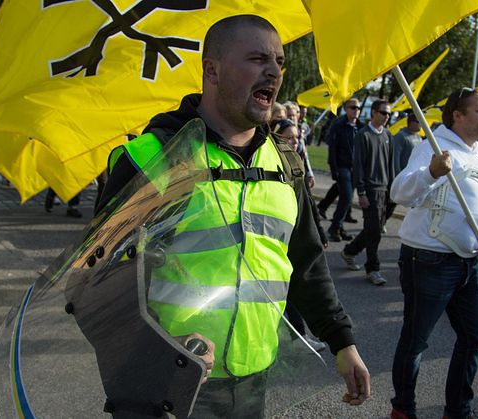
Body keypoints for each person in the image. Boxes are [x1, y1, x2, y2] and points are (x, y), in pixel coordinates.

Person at [97, 15, 370, 417]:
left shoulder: (285, 164)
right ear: (212, 69)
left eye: (279, 61)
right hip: (163, 387)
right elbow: (97, 280)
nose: (274, 71)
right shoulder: (158, 158)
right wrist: (159, 348)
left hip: (252, 384)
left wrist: (341, 341)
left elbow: (306, 264)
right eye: (258, 59)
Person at [389, 87, 478, 419]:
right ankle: (403, 409)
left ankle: (458, 410)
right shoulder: (432, 148)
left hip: (470, 263)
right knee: (416, 340)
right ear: (458, 115)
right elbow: (400, 192)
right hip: (429, 258)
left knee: (476, 335)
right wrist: (431, 173)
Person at [272, 118, 328, 352]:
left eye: (297, 137)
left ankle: (296, 337)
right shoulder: (271, 166)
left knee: (291, 289)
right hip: (278, 241)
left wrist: (320, 233)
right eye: (289, 137)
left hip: (295, 239)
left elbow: (308, 207)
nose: (295, 142)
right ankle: (294, 337)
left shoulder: (296, 163)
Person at [340, 99, 394, 285]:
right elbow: (358, 166)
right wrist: (361, 192)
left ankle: (350, 251)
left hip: (385, 188)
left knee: (374, 229)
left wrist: (392, 187)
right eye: (383, 113)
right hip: (370, 189)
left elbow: (390, 164)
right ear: (373, 113)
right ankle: (373, 268)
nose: (387, 117)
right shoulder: (363, 135)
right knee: (374, 231)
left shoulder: (388, 135)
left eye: (389, 114)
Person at [322, 98, 364, 240]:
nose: (356, 110)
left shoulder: (361, 127)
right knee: (346, 197)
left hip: (355, 168)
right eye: (353, 107)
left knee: (347, 197)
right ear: (346, 109)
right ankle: (334, 227)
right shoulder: (338, 124)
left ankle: (339, 227)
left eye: (358, 108)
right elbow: (332, 148)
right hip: (342, 166)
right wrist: (334, 169)